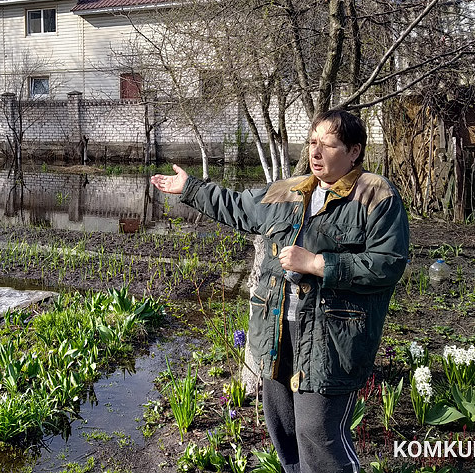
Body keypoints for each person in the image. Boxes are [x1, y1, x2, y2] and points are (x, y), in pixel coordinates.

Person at [151, 109, 408, 473]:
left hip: (330, 341)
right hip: (276, 332)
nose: (316, 152)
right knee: (284, 428)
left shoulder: (375, 195)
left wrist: (319, 264)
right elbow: (238, 207)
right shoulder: (290, 191)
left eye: (328, 144)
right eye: (312, 142)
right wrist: (191, 188)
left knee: (319, 433)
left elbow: (389, 264)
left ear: (354, 151)